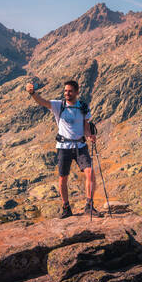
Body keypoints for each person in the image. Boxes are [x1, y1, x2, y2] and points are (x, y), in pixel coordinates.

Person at [26, 80, 102, 218]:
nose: (67, 93)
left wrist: (90, 135)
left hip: (80, 145)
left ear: (77, 92)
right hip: (63, 147)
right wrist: (32, 93)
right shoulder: (58, 105)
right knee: (63, 179)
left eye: (70, 91)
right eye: (66, 91)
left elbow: (85, 125)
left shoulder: (83, 107)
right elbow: (42, 101)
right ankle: (66, 208)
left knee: (90, 173)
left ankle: (89, 205)